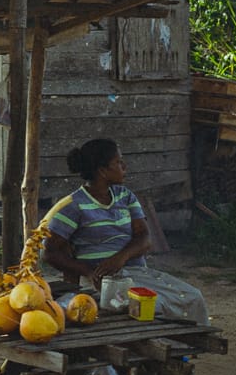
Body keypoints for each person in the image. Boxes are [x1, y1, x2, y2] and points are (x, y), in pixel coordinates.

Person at [43, 138, 210, 324]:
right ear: (103, 171)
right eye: (118, 162)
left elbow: (145, 238)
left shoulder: (125, 196)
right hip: (103, 283)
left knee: (193, 297)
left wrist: (120, 258)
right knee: (153, 306)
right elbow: (50, 253)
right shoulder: (73, 206)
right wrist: (88, 271)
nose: (124, 166)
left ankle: (182, 352)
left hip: (136, 274)